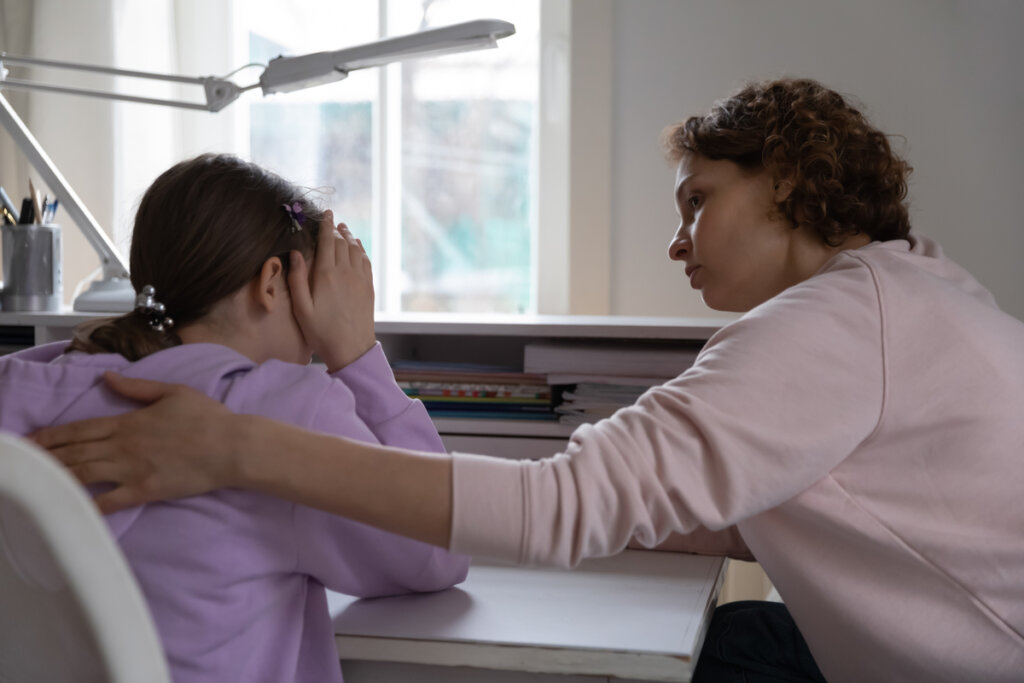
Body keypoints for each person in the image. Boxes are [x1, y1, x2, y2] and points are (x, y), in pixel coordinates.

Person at [31, 79, 1024, 683]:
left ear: (788, 180)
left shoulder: (837, 323)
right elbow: (742, 508)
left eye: (698, 200)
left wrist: (233, 445)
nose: (675, 240)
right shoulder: (909, 293)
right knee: (731, 640)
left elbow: (560, 506)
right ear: (276, 282)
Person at [0, 153, 469, 683]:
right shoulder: (282, 412)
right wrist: (357, 354)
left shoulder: (22, 382)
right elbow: (439, 546)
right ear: (273, 282)